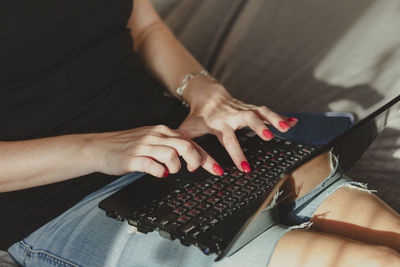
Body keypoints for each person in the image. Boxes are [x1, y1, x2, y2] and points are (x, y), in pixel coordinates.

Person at [0, 0, 399, 266]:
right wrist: (98, 149)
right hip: (57, 200)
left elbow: (144, 27)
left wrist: (202, 92)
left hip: (183, 143)